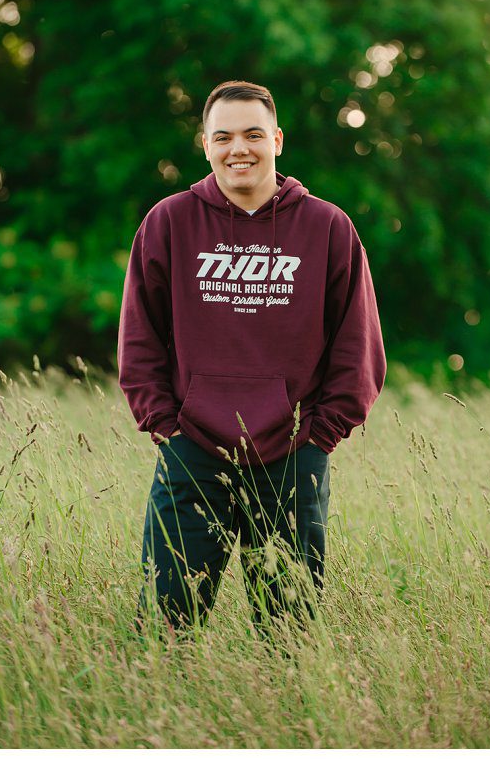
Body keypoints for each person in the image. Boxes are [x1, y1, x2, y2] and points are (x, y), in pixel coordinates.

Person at [118, 79, 385, 629]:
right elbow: (139, 337)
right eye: (224, 136)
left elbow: (358, 347)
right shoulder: (169, 222)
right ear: (206, 144)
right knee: (164, 628)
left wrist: (320, 436)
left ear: (278, 140)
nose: (239, 148)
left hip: (292, 456)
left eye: (253, 134)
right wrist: (165, 425)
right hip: (191, 450)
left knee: (286, 635)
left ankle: (284, 717)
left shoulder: (328, 227)